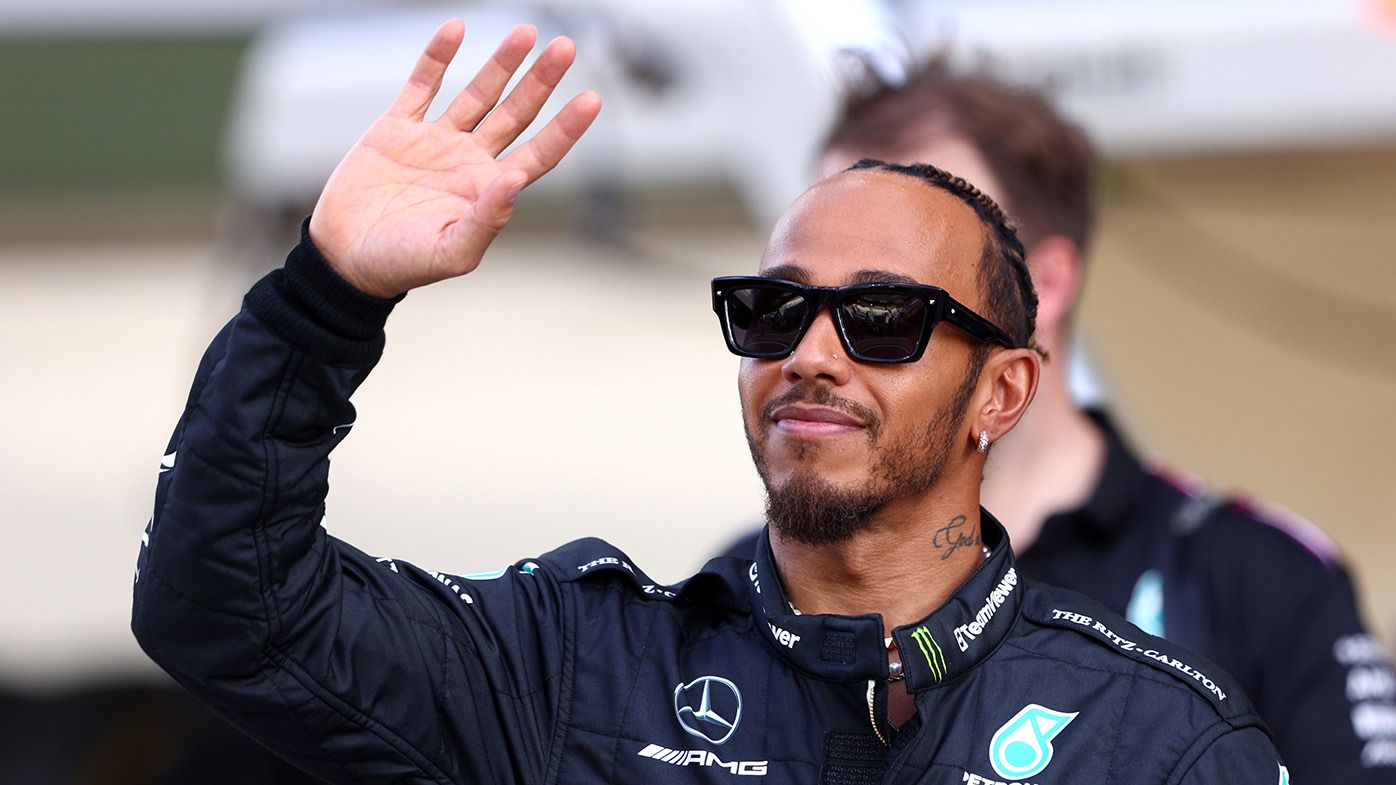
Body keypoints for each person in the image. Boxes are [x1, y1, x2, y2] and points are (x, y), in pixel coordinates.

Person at [132, 21, 1288, 783]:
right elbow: (224, 603)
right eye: (771, 313)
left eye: (882, 318)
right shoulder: (573, 666)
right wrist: (327, 296)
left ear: (1003, 388)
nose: (814, 353)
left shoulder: (1159, 739)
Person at [721, 59, 1396, 781]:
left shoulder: (1258, 575)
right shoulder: (736, 580)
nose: (819, 349)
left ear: (1041, 284)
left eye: (888, 297)